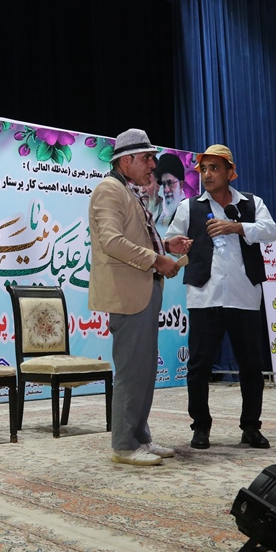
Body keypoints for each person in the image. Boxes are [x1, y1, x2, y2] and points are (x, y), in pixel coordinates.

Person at [88, 129, 193, 466]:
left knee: (144, 370)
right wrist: (157, 260)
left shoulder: (130, 192)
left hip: (144, 291)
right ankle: (123, 445)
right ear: (126, 160)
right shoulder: (109, 190)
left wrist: (165, 246)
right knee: (132, 370)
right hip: (128, 294)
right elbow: (112, 241)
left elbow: (136, 238)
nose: (152, 165)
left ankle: (140, 438)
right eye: (147, 158)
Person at [165, 144, 276, 450]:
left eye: (214, 168)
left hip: (245, 296)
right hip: (205, 296)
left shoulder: (252, 203)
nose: (207, 175)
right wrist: (175, 245)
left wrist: (236, 227)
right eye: (203, 169)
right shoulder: (189, 207)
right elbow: (170, 240)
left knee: (251, 367)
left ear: (230, 172)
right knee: (199, 367)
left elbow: (270, 231)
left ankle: (251, 428)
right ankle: (200, 427)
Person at [155, 153, 188, 227]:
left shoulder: (188, 212)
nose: (166, 190)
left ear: (181, 184)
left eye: (170, 183)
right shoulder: (160, 216)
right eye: (163, 184)